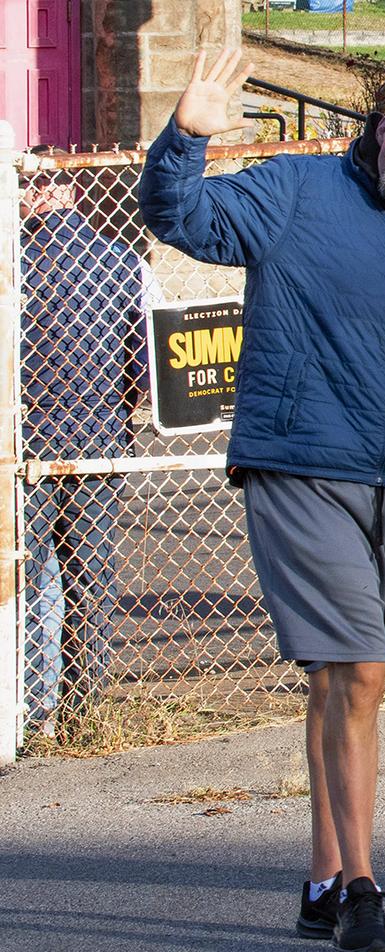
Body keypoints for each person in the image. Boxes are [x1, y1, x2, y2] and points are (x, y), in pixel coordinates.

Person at [139, 49, 385, 952]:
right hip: (299, 466)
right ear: (378, 126)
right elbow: (179, 214)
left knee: (338, 685)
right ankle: (359, 887)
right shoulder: (299, 193)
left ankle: (318, 883)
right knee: (360, 672)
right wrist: (185, 138)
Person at [19, 149, 155, 735]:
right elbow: (150, 373)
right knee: (90, 578)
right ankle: (81, 705)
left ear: (26, 195)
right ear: (73, 194)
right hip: (101, 439)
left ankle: (27, 702)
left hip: (24, 442)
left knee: (26, 572)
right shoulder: (126, 264)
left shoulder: (12, 262)